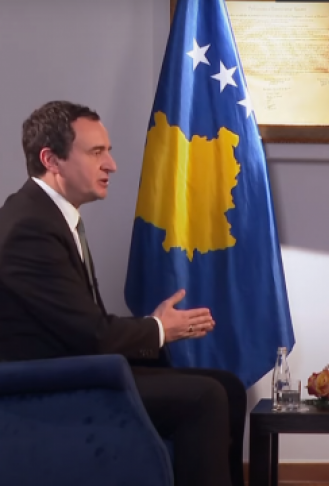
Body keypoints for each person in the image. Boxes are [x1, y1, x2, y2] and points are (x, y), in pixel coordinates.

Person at [0, 100, 246, 486]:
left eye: (108, 151)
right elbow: (92, 335)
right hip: (48, 386)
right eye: (96, 152)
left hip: (75, 367)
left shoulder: (48, 216)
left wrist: (155, 327)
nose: (111, 164)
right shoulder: (30, 228)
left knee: (228, 387)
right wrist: (159, 329)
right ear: (51, 160)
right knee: (205, 397)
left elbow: (82, 325)